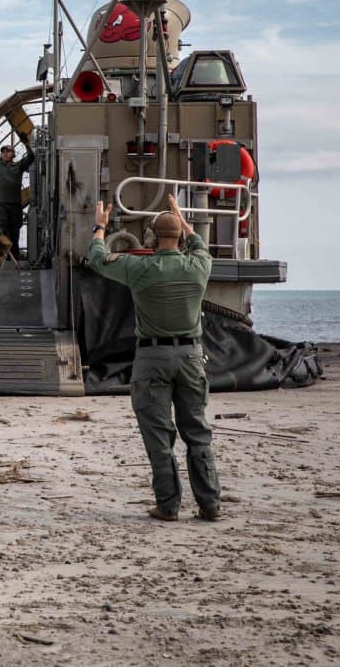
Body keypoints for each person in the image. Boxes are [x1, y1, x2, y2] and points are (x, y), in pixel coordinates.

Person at [89, 194, 220, 523]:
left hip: (151, 357)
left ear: (150, 236)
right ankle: (209, 504)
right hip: (191, 356)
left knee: (159, 437)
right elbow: (198, 243)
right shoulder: (199, 266)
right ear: (180, 237)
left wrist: (100, 227)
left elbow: (96, 258)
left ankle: (168, 505)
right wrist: (180, 218)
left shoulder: (139, 267)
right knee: (198, 434)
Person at [0, 134, 35, 258]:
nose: (5, 154)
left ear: (13, 155)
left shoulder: (19, 166)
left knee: (15, 230)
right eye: (3, 152)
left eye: (8, 152)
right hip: (0, 203)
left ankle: (14, 255)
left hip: (15, 204)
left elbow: (31, 157)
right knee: (2, 229)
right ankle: (3, 255)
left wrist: (26, 143)